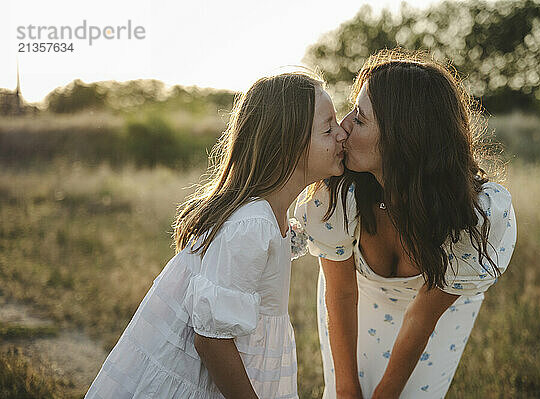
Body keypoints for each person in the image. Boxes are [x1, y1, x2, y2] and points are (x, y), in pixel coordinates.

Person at [85, 71, 347, 398]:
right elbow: (211, 340)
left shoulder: (271, 216)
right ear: (287, 146)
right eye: (328, 128)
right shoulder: (252, 224)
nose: (342, 134)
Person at [294, 49, 517, 398]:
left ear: (403, 139)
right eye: (352, 111)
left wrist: (386, 393)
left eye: (361, 119)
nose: (344, 127)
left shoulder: (472, 215)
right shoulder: (338, 194)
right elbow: (339, 292)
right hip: (355, 302)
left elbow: (422, 319)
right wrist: (346, 388)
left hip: (438, 319)